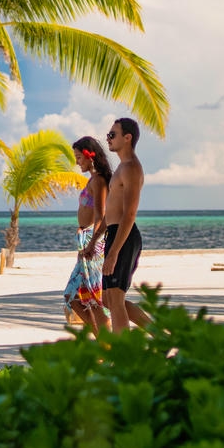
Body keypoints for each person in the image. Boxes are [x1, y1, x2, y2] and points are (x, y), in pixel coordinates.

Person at [97, 116, 152, 332]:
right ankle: (158, 334)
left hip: (124, 236)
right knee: (108, 299)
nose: (108, 138)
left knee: (116, 298)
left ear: (127, 138)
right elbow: (111, 212)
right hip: (114, 234)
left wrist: (114, 253)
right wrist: (95, 241)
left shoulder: (130, 168)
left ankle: (122, 356)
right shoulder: (121, 168)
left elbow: (129, 214)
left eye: (112, 134)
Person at [63, 136, 110, 329]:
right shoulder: (93, 180)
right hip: (86, 240)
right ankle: (104, 342)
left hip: (93, 240)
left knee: (91, 296)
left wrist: (91, 243)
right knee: (78, 296)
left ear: (90, 156)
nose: (77, 162)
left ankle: (106, 343)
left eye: (79, 157)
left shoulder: (98, 180)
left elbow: (101, 216)